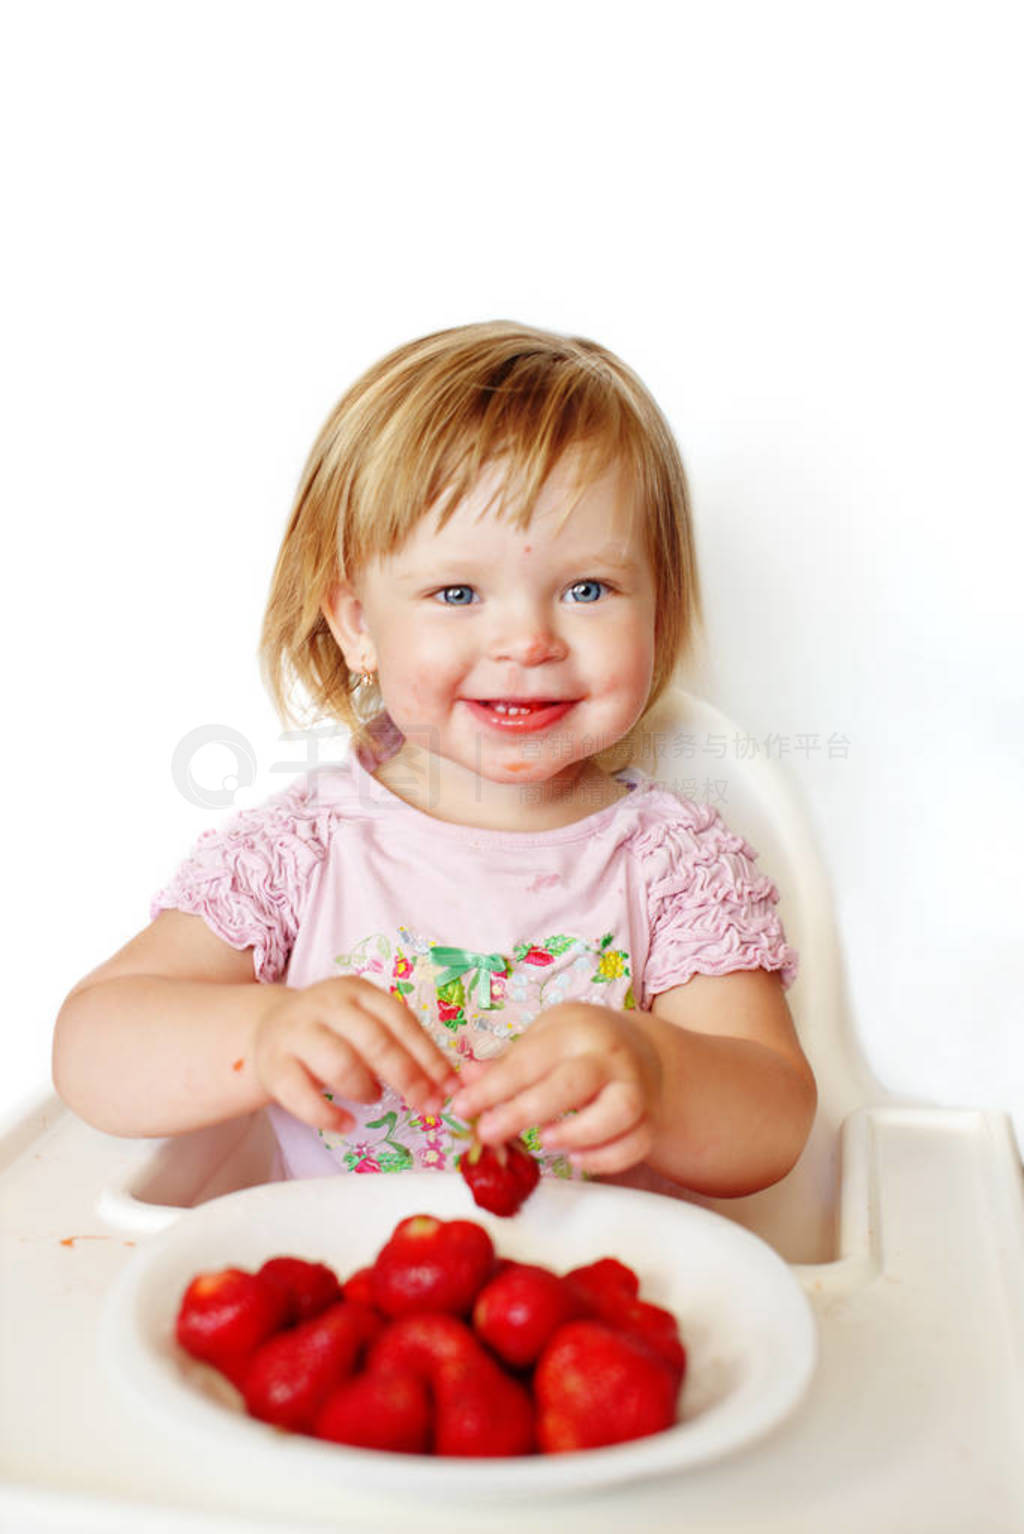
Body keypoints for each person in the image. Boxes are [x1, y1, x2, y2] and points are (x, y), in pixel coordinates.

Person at [52, 321, 816, 1199]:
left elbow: (776, 1120)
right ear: (356, 624)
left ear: (658, 607)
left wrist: (659, 1067)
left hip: (584, 1307)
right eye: (457, 593)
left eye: (587, 589)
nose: (528, 641)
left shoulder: (673, 864)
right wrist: (262, 1033)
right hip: (353, 1297)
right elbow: (91, 1046)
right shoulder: (300, 852)